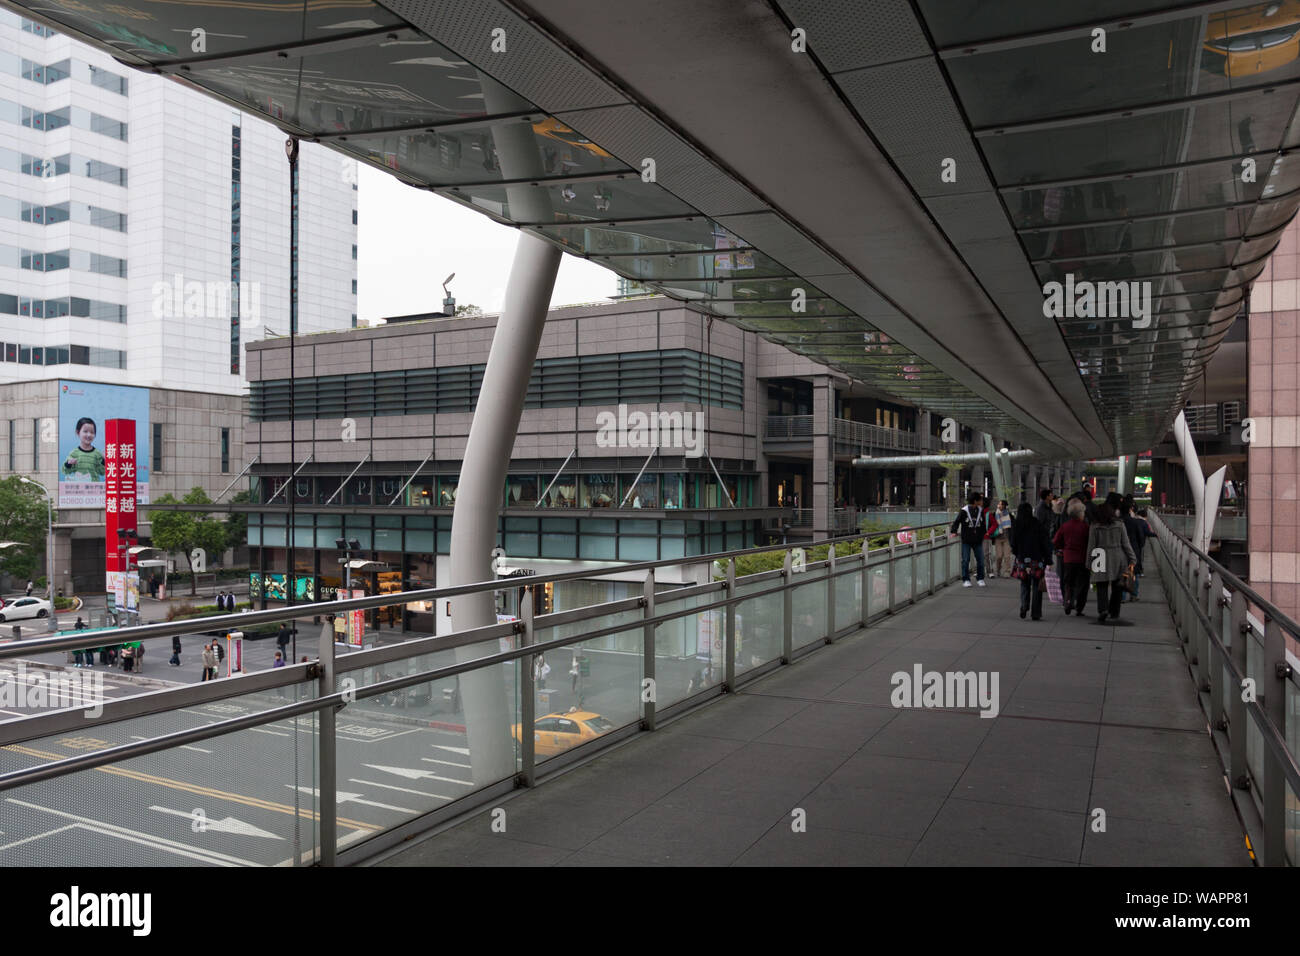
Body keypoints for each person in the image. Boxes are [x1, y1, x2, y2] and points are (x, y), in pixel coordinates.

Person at [1086, 499, 1137, 624]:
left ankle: (1103, 609)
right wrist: (1132, 558)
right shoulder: (1120, 524)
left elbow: (1091, 545)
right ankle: (1114, 612)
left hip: (1100, 555)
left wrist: (1088, 562)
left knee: (1101, 584)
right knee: (1117, 585)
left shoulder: (1095, 526)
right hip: (1118, 555)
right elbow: (1126, 543)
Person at [1010, 502, 1052, 620]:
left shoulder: (1016, 524)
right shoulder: (1037, 524)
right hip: (1037, 559)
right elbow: (1045, 542)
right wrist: (1048, 558)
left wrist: (1017, 553)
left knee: (1024, 583)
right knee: (1036, 585)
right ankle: (1036, 612)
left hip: (1022, 559)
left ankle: (1024, 606)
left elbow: (1013, 543)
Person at [1053, 498, 1091, 616]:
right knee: (1083, 583)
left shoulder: (1065, 526)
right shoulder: (1085, 527)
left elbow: (1056, 541)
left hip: (1068, 559)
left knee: (1069, 582)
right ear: (1080, 514)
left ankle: (1068, 601)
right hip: (1082, 559)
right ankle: (1079, 607)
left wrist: (1062, 548)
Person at [949, 493, 987, 587]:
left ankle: (980, 578)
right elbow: (957, 521)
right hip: (966, 540)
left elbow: (982, 525)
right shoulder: (964, 511)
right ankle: (966, 579)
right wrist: (953, 531)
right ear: (975, 501)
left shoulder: (980, 510)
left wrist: (983, 534)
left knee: (981, 560)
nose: (982, 502)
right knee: (965, 560)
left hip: (977, 540)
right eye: (980, 500)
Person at [62, 416, 105, 481]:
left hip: (94, 488)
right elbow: (65, 471)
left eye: (92, 432)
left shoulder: (97, 453)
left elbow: (102, 472)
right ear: (77, 432)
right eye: (85, 431)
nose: (89, 435)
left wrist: (104, 460)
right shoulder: (74, 453)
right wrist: (68, 464)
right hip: (79, 489)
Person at [989, 500, 1013, 578]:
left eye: (1001, 504)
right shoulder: (994, 514)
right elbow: (991, 524)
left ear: (1005, 506)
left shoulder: (1009, 515)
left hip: (1007, 538)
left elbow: (1013, 526)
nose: (999, 505)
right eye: (998, 504)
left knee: (1007, 556)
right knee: (999, 556)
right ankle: (998, 569)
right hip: (998, 538)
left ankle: (1007, 571)